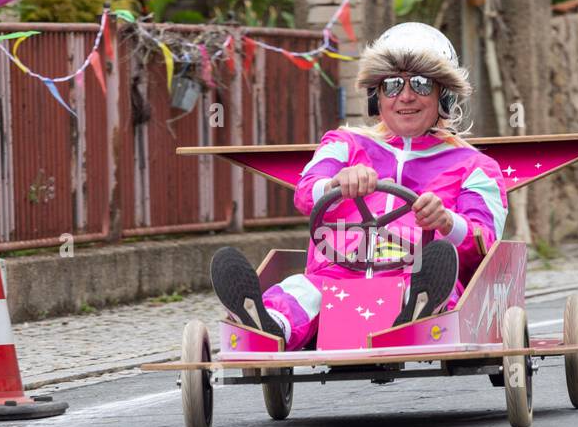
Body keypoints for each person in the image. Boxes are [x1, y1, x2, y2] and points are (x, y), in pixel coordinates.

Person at [209, 22, 509, 350]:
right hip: (336, 276)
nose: (406, 96)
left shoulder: (475, 166)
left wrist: (447, 222)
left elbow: (486, 243)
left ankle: (417, 315)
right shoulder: (344, 143)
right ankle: (268, 325)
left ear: (444, 94)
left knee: (433, 287)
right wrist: (337, 181)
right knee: (300, 291)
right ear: (375, 97)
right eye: (392, 85)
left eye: (422, 84)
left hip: (420, 273)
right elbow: (306, 191)